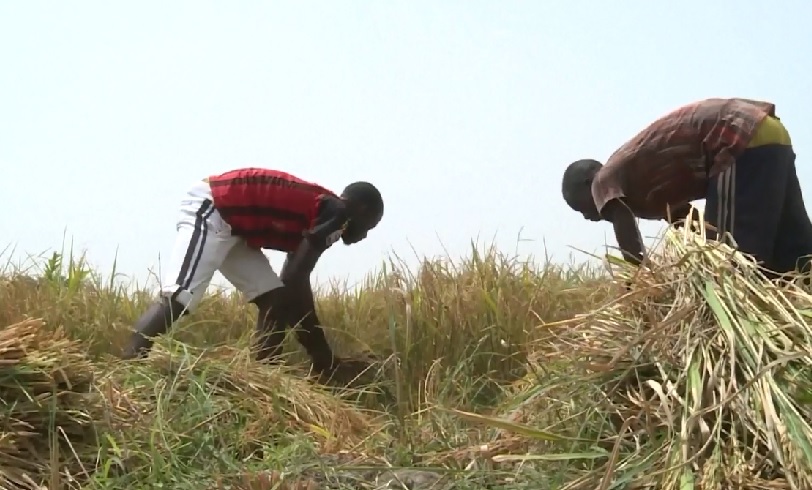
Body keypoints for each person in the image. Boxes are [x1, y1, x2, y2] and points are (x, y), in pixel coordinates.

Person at [122, 167, 384, 376]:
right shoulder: (336, 215)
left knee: (274, 299)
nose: (364, 236)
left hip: (234, 225)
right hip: (213, 207)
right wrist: (322, 356)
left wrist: (320, 355)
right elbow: (296, 281)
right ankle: (126, 368)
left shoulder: (320, 213)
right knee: (179, 296)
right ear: (362, 210)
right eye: (369, 226)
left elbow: (292, 284)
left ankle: (261, 380)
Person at [561, 97, 812, 278]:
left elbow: (627, 233)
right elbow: (691, 222)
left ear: (587, 183)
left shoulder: (603, 179)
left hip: (735, 137)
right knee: (796, 256)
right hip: (769, 132)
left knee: (729, 265)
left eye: (579, 207)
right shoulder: (642, 185)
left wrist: (641, 283)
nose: (586, 217)